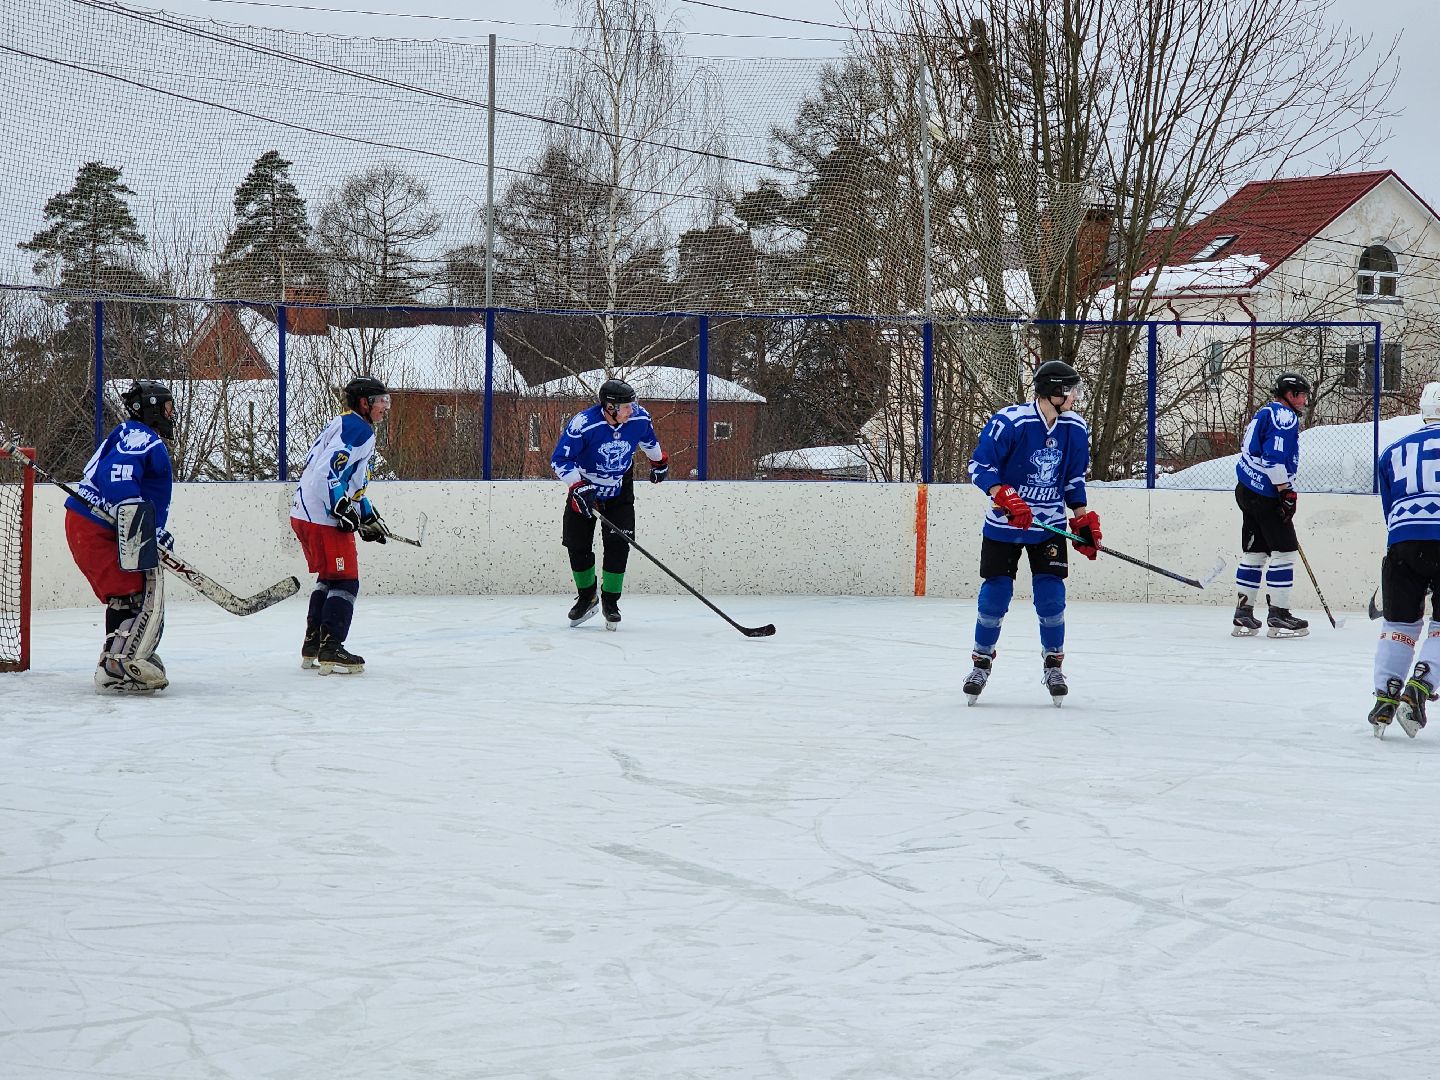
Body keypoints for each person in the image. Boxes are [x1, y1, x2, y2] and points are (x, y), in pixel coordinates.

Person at [963, 359, 1100, 706]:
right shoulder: (1011, 421)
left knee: (1051, 597)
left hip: (1048, 527)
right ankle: (981, 661)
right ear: (1054, 391)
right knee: (995, 596)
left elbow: (1072, 479)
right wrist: (1004, 494)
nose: (1075, 397)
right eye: (1070, 390)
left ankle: (1054, 663)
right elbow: (980, 465)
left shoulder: (1075, 428)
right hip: (1004, 526)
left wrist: (1081, 518)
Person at [64, 379, 176, 693]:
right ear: (152, 409)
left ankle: (128, 656)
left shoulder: (132, 432)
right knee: (128, 595)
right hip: (97, 527)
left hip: (103, 527)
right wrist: (148, 529)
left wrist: (147, 528)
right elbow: (118, 479)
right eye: (167, 408)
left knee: (136, 591)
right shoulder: (141, 436)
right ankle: (115, 667)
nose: (171, 415)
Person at [289, 375, 390, 674]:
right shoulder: (360, 430)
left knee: (331, 577)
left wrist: (366, 513)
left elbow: (350, 480)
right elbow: (326, 474)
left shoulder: (345, 422)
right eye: (380, 400)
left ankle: (314, 643)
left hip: (304, 511)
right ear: (364, 402)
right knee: (346, 580)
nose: (385, 406)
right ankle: (331, 647)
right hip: (322, 515)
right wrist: (341, 508)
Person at [550, 377, 669, 630]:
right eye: (626, 406)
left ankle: (611, 602)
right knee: (576, 543)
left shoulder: (639, 418)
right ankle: (587, 597)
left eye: (632, 404)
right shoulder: (583, 424)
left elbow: (648, 440)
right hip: (585, 487)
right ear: (610, 407)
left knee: (619, 543)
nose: (632, 410)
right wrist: (577, 487)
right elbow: (560, 460)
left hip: (619, 487)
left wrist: (658, 462)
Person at [1368, 381, 1440, 737]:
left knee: (1399, 625)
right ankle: (1421, 685)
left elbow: (1390, 509)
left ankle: (1385, 696)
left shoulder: (1393, 450)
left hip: (1403, 542)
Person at [1232, 372, 1311, 638]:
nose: (1304, 400)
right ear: (1290, 395)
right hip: (1266, 493)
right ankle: (1279, 614)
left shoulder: (1264, 412)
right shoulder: (1285, 417)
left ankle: (1243, 613)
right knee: (1285, 551)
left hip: (1246, 489)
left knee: (1255, 553)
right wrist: (1285, 493)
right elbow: (1273, 459)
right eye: (1301, 394)